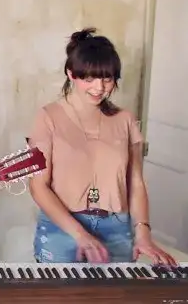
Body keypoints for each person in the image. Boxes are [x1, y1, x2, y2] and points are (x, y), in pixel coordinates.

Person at [27, 27, 176, 266]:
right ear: (71, 74)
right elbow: (38, 186)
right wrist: (80, 235)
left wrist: (143, 233)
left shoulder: (125, 119)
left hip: (116, 229)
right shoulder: (48, 117)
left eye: (107, 79)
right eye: (89, 79)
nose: (99, 88)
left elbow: (136, 182)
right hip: (61, 229)